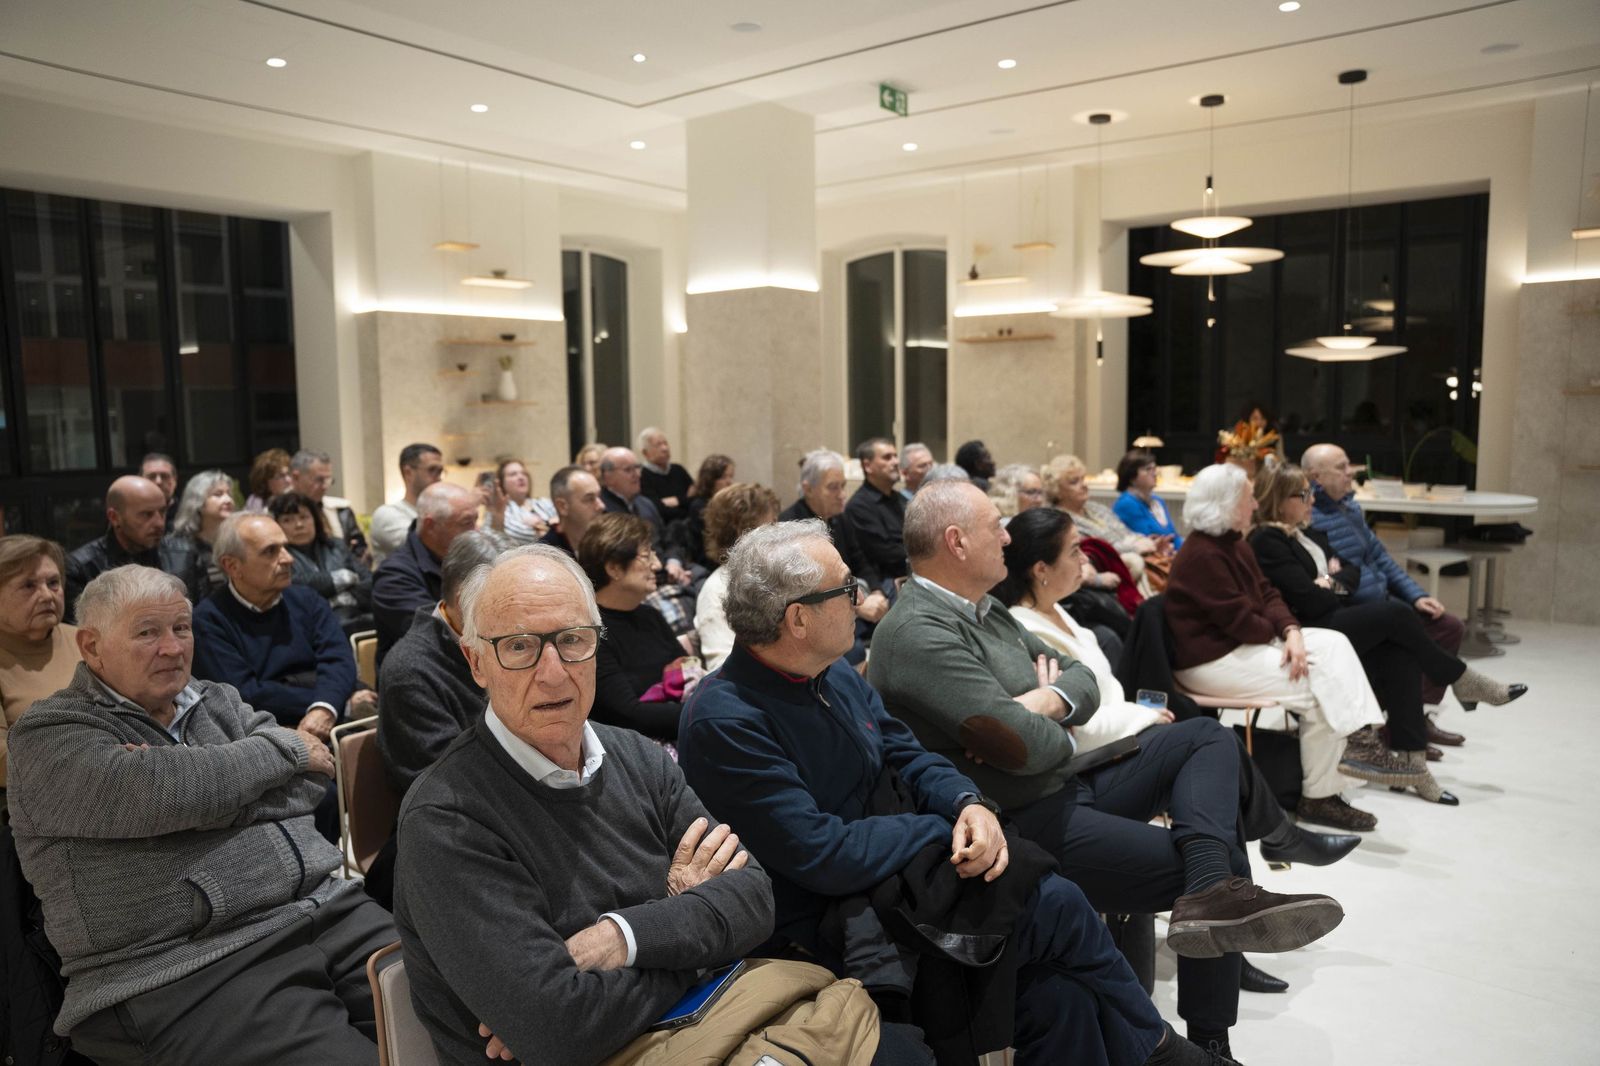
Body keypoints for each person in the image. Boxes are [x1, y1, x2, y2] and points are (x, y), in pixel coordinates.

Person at [680, 520, 1258, 1066]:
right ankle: (1163, 1049)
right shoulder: (726, 717)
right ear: (797, 620)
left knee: (1063, 997)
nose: (860, 600)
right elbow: (820, 853)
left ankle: (1162, 1047)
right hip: (834, 923)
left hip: (896, 877)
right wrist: (939, 828)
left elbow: (907, 753)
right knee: (1053, 900)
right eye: (846, 589)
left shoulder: (827, 675)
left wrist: (968, 804)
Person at [868, 479, 1344, 1059]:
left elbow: (1081, 676)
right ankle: (1210, 1037)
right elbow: (1025, 749)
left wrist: (1041, 702)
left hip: (1062, 783)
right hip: (1013, 819)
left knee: (1205, 738)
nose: (1007, 536)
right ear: (956, 542)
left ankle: (1211, 948)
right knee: (1212, 861)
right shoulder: (918, 631)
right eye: (996, 525)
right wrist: (1033, 717)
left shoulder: (983, 608)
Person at [392, 545, 779, 1066]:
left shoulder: (639, 757)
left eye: (572, 640)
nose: (553, 673)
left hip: (704, 1029)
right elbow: (558, 1030)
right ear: (476, 662)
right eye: (520, 647)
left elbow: (754, 899)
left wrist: (620, 939)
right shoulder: (446, 820)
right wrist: (696, 944)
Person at [6, 565, 395, 1065]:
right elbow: (158, 795)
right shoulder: (49, 733)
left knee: (458, 1021)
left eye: (181, 629)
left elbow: (312, 784)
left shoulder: (218, 699)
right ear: (91, 646)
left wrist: (195, 795)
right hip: (186, 967)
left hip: (327, 909)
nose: (172, 648)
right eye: (147, 632)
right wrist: (277, 756)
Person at [993, 507, 1360, 871]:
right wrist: (1143, 714)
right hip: (1093, 762)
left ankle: (1247, 873)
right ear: (1041, 569)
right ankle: (1269, 848)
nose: (1085, 559)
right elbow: (1073, 728)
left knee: (1214, 758)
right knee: (1210, 739)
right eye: (1074, 551)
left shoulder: (1057, 612)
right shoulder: (1030, 630)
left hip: (1121, 739)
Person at [1248, 461, 1525, 805]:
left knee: (1400, 651)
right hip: (1311, 630)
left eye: (1309, 493)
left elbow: (1353, 572)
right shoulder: (1267, 540)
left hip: (1335, 617)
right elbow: (1310, 601)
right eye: (1302, 494)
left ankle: (1414, 765)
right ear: (1278, 499)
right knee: (1397, 614)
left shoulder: (1309, 533)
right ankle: (1460, 678)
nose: (1310, 501)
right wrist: (1332, 583)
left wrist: (1330, 581)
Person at [1164, 464, 1422, 832]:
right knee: (1320, 688)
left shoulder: (1232, 541)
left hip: (1240, 643)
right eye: (1247, 498)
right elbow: (1243, 622)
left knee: (1335, 643)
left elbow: (1267, 595)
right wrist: (1282, 632)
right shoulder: (1203, 554)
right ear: (1225, 505)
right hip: (1210, 658)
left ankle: (1361, 741)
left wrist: (1292, 631)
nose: (1255, 504)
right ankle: (1323, 793)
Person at [1302, 442, 1473, 748]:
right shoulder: (1310, 519)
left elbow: (1380, 559)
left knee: (1448, 626)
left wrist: (1416, 595)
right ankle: (1397, 724)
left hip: (1385, 604)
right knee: (1400, 637)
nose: (1350, 472)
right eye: (1341, 467)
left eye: (1348, 464)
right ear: (1315, 477)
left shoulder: (1350, 508)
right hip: (1355, 610)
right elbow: (1334, 582)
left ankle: (1414, 717)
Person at [193, 514, 372, 732]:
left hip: (328, 711)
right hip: (265, 731)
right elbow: (245, 694)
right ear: (232, 566)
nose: (288, 559)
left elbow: (339, 660)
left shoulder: (308, 599)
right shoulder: (208, 620)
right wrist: (338, 703)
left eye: (285, 547)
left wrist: (325, 707)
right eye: (271, 551)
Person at [377, 532, 501, 797]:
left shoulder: (499, 641)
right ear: (464, 600)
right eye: (505, 600)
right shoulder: (410, 671)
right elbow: (447, 782)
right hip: (451, 820)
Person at [577, 514, 689, 742]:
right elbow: (629, 715)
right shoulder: (590, 633)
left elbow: (687, 671)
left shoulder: (651, 616)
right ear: (614, 568)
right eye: (647, 556)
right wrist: (704, 713)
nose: (657, 565)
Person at [0, 536, 81, 818]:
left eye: (53, 583)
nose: (47, 595)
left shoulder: (87, 641)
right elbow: (1, 761)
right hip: (35, 814)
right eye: (28, 586)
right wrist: (90, 764)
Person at [372, 481, 480, 664]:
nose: (476, 531)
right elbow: (438, 635)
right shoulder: (394, 576)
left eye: (476, 520)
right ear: (431, 526)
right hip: (424, 675)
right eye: (466, 522)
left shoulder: (467, 559)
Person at [779, 448, 890, 626]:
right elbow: (807, 590)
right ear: (808, 489)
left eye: (843, 486)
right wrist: (858, 606)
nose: (842, 495)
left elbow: (859, 561)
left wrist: (877, 592)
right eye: (833, 487)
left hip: (851, 598)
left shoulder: (840, 517)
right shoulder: (790, 526)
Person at [64, 474, 186, 618]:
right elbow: (82, 631)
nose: (159, 523)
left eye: (162, 512)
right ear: (114, 517)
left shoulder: (184, 554)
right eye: (146, 515)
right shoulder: (80, 568)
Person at [693, 483, 780, 670]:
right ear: (745, 531)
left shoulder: (775, 574)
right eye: (771, 524)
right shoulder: (717, 589)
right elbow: (720, 668)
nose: (779, 531)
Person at [270, 491, 374, 632]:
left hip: (357, 618)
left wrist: (340, 598)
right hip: (306, 628)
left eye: (304, 517)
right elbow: (295, 588)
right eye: (288, 520)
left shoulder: (336, 545)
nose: (299, 525)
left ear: (315, 519)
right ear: (277, 525)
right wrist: (342, 577)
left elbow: (369, 583)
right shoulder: (276, 556)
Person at [598, 446, 693, 586]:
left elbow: (667, 540)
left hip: (667, 570)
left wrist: (674, 562)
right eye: (628, 470)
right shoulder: (602, 508)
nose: (637, 474)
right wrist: (665, 575)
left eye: (637, 468)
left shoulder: (645, 503)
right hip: (635, 582)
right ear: (608, 477)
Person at [839, 437, 908, 590]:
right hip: (885, 583)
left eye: (895, 456)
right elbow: (886, 554)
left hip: (911, 574)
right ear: (867, 466)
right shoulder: (859, 506)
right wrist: (924, 551)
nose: (896, 462)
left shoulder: (901, 500)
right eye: (887, 457)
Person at [164, 468, 236, 602]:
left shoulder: (234, 540)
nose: (228, 500)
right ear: (197, 502)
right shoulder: (179, 546)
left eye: (229, 494)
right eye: (218, 494)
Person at [368, 442, 444, 566]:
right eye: (432, 470)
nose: (439, 478)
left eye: (440, 471)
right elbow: (423, 546)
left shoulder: (437, 513)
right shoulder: (387, 514)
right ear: (408, 472)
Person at [289, 448, 369, 563]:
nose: (325, 486)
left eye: (328, 480)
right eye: (319, 480)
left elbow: (361, 550)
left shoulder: (341, 510)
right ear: (296, 477)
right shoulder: (276, 514)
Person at [1112, 449, 1184, 549]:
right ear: (1132, 476)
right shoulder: (1126, 504)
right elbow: (1149, 540)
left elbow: (1174, 536)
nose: (1154, 474)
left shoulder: (1158, 501)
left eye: (1154, 469)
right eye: (1148, 469)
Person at [486, 457, 557, 545]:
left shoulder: (543, 502)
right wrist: (551, 525)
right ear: (501, 483)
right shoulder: (500, 511)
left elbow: (565, 524)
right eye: (513, 474)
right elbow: (516, 534)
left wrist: (543, 525)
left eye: (524, 473)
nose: (521, 477)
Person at [538, 465, 607, 557]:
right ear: (562, 506)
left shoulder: (608, 546)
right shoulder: (544, 555)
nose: (601, 506)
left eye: (599, 496)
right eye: (590, 499)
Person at [637, 427, 694, 524]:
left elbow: (696, 498)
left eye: (665, 443)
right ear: (645, 453)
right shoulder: (641, 475)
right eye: (658, 445)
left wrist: (678, 500)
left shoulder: (678, 470)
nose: (665, 448)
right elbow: (658, 510)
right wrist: (685, 503)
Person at [244, 446, 294, 513]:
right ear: (265, 482)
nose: (288, 480)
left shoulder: (300, 501)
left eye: (289, 474)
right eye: (281, 476)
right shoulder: (254, 503)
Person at [139, 451, 179, 526]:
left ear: (175, 481)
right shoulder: (130, 515)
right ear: (140, 480)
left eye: (164, 476)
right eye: (151, 476)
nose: (158, 482)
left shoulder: (188, 515)